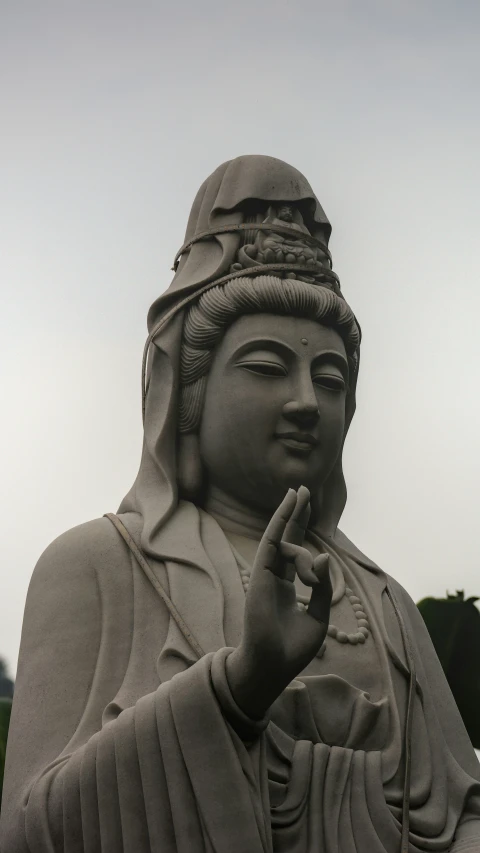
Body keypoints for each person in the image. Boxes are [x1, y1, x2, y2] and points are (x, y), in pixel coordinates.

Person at [1, 155, 479, 853]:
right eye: (265, 367)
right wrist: (238, 687)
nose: (306, 403)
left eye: (331, 376)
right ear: (188, 394)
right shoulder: (100, 565)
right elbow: (29, 831)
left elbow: (459, 812)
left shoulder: (386, 608)